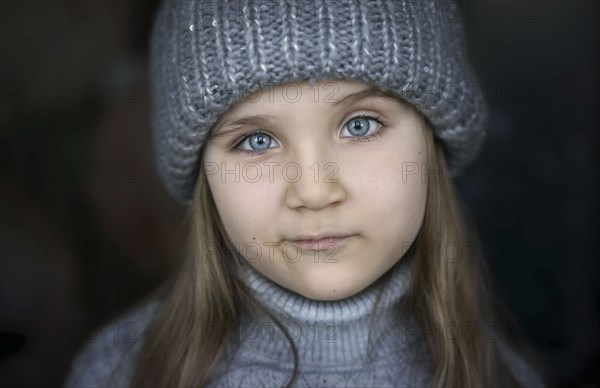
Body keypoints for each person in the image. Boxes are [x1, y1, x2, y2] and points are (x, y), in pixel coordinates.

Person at [63, 0, 545, 387]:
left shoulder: (497, 376)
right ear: (203, 176)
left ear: (432, 146)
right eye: (257, 140)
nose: (314, 191)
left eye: (360, 125)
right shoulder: (120, 371)